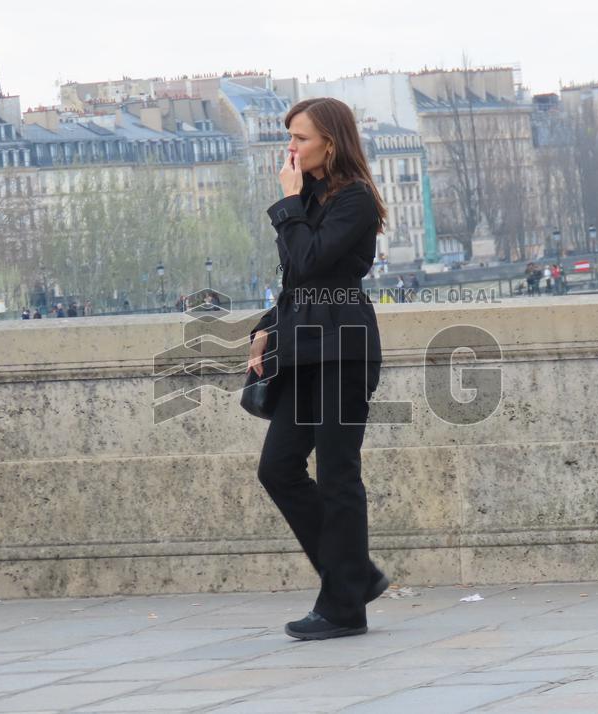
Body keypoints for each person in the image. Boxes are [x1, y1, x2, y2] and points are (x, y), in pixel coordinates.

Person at [247, 97, 388, 641]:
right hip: (304, 348)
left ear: (331, 141)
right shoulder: (305, 197)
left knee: (336, 474)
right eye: (290, 138)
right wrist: (265, 327)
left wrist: (287, 203)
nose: (291, 149)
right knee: (278, 468)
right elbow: (296, 284)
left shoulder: (355, 200)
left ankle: (344, 605)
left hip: (343, 348)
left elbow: (312, 262)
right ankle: (354, 576)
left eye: (301, 138)